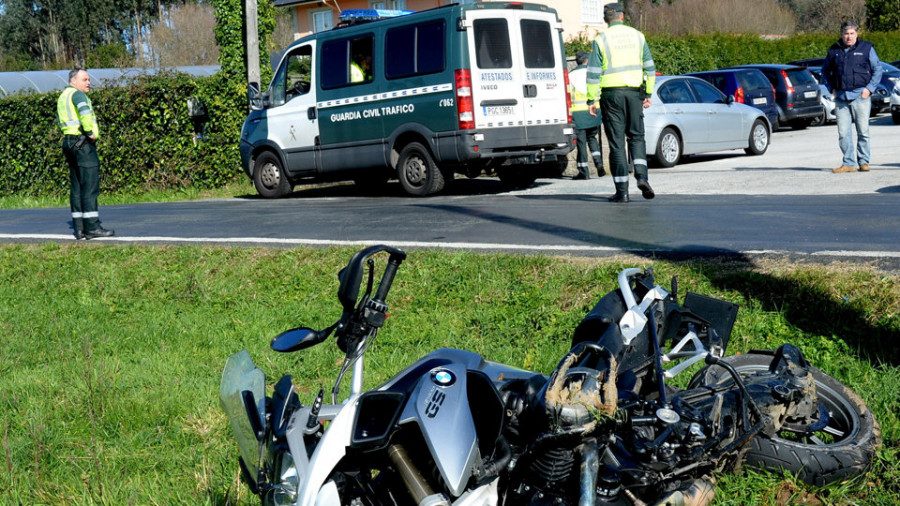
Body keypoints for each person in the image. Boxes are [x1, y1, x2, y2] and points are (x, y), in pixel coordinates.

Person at [586, 2, 656, 203]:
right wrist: (648, 92)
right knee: (636, 137)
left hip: (611, 96)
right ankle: (642, 176)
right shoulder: (638, 36)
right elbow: (650, 68)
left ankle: (622, 192)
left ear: (606, 19)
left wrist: (592, 99)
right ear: (623, 17)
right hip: (634, 94)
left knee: (617, 143)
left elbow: (593, 74)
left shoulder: (601, 40)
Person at [57, 68, 114, 239]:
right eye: (85, 79)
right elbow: (85, 114)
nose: (89, 83)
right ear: (73, 81)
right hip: (82, 142)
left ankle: (79, 228)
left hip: (68, 142)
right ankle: (92, 227)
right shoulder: (79, 95)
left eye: (89, 80)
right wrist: (90, 133)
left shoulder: (63, 97)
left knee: (77, 186)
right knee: (89, 186)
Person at [822, 20, 882, 174]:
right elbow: (824, 72)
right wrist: (831, 89)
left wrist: (869, 89)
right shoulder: (834, 50)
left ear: (857, 34)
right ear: (841, 34)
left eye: (852, 33)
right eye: (846, 34)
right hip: (841, 97)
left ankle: (863, 161)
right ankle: (849, 163)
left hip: (860, 96)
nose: (848, 37)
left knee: (863, 131)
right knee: (843, 133)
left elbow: (877, 70)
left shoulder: (867, 48)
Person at [568, 50, 606, 180]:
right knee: (592, 139)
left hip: (578, 114)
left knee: (581, 143)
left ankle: (584, 171)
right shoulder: (593, 73)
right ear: (587, 60)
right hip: (594, 112)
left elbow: (568, 95)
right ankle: (599, 163)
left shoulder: (571, 75)